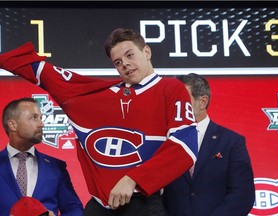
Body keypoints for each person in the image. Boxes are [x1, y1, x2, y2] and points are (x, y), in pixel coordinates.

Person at [0, 28, 198, 216]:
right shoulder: (95, 95)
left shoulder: (171, 89)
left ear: (146, 52)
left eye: (130, 55)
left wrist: (133, 179)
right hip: (99, 206)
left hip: (142, 201)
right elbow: (45, 73)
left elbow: (185, 146)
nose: (125, 64)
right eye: (118, 62)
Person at [162, 73, 255, 216]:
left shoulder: (231, 142)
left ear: (202, 102)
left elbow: (242, 195)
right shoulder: (163, 140)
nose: (176, 106)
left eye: (181, 99)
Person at [0, 98, 84, 216]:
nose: (41, 124)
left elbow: (74, 208)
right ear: (13, 125)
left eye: (41, 118)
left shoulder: (56, 167)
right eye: (34, 117)